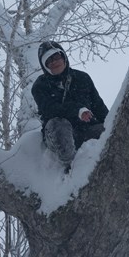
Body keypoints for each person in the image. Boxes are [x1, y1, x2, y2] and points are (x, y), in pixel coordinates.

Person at [31, 41, 109, 169]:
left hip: (86, 130)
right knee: (58, 124)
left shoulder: (82, 78)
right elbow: (50, 110)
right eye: (49, 61)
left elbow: (98, 106)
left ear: (64, 57)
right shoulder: (40, 86)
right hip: (58, 135)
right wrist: (77, 110)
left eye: (56, 57)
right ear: (45, 66)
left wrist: (112, 125)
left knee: (108, 132)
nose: (54, 62)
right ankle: (71, 169)